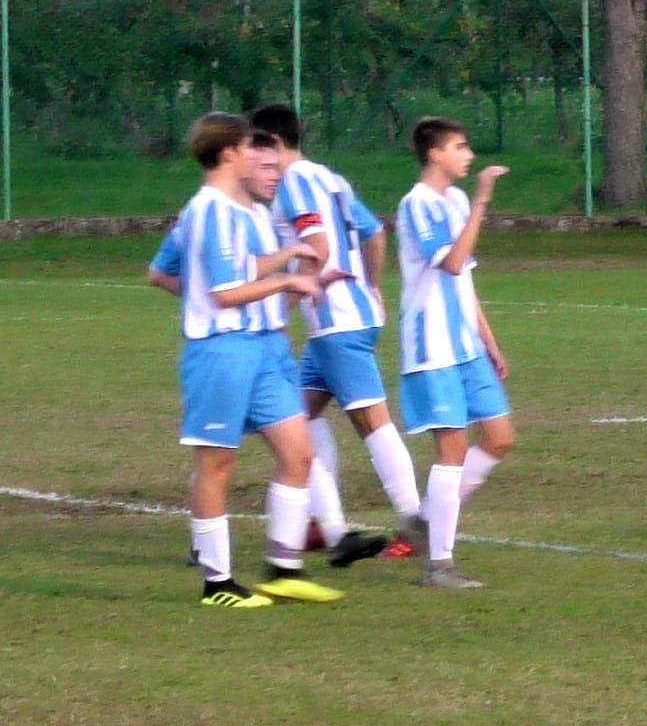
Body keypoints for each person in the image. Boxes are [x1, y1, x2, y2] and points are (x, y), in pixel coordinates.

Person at [152, 114, 347, 607]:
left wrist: (292, 260)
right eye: (245, 148)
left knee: (299, 455)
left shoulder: (245, 211)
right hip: (222, 351)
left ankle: (282, 568)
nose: (259, 157)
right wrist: (288, 280)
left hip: (264, 349)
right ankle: (217, 583)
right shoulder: (209, 210)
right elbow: (225, 292)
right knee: (217, 465)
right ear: (227, 155)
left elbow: (244, 268)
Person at [251, 104, 409, 564]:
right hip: (341, 319)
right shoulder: (329, 177)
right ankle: (333, 530)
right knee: (298, 420)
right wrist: (374, 285)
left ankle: (416, 518)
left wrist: (280, 309)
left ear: (275, 144)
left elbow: (315, 250)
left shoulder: (295, 181)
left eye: (257, 146)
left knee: (371, 422)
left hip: (337, 319)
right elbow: (375, 232)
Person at [395, 118, 516, 589]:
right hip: (432, 348)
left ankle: (426, 521)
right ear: (434, 155)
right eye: (460, 147)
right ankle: (439, 565)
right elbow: (448, 262)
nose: (468, 155)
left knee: (501, 436)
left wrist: (488, 340)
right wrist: (483, 201)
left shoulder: (457, 201)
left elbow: (465, 277)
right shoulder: (417, 204)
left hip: (465, 345)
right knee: (453, 449)